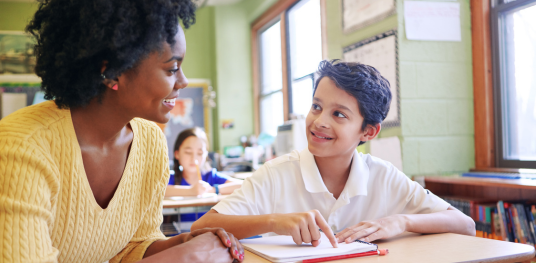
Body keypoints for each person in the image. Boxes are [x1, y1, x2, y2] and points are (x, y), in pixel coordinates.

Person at [0, 0, 244, 262]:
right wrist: (183, 257)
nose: (183, 81)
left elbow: (132, 247)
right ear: (112, 72)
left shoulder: (150, 142)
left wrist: (182, 243)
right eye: (172, 68)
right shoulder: (21, 148)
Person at [192, 60, 476, 248]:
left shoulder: (383, 176)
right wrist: (274, 221)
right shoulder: (275, 174)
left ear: (368, 132)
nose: (319, 121)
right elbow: (202, 227)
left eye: (339, 114)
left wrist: (400, 220)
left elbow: (465, 224)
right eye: (317, 106)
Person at [165, 127, 242, 197]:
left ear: (206, 155)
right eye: (188, 152)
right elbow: (157, 190)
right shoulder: (169, 178)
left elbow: (244, 186)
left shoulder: (211, 177)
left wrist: (213, 190)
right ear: (177, 154)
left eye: (200, 153)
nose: (194, 158)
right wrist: (191, 191)